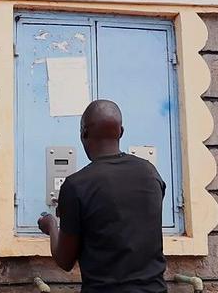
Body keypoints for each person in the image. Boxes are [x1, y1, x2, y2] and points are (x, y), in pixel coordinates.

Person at [37, 99, 167, 293]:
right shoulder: (150, 173)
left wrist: (51, 226)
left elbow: (64, 260)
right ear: (121, 132)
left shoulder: (76, 185)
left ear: (84, 133)